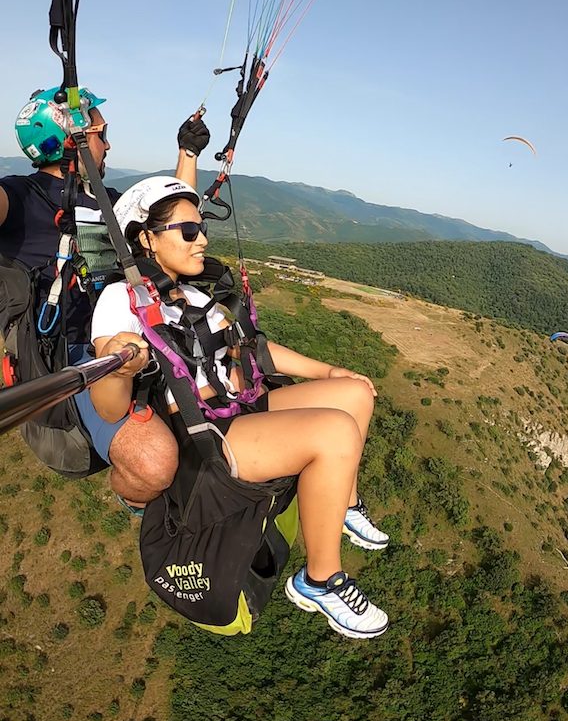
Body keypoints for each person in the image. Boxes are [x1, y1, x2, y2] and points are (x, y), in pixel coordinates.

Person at [90, 176, 390, 639]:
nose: (202, 239)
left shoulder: (193, 295)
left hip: (239, 410)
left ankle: (343, 503)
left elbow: (253, 353)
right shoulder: (121, 300)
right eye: (188, 231)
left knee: (354, 395)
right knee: (336, 433)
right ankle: (320, 580)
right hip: (201, 439)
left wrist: (329, 373)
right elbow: (109, 411)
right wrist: (118, 366)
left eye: (201, 228)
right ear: (145, 239)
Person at [0, 87, 209, 498]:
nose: (108, 143)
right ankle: (140, 499)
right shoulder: (21, 198)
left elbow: (171, 223)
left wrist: (188, 153)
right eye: (100, 133)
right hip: (74, 351)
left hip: (138, 330)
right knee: (154, 464)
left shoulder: (108, 202)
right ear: (71, 141)